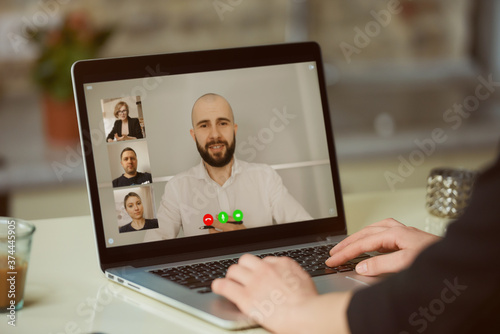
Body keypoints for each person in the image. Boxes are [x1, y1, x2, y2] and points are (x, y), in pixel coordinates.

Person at [212, 154, 500, 334]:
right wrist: (458, 255)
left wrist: (300, 312)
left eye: (222, 122)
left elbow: (413, 310)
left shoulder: (264, 177)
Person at [151, 93, 312, 239]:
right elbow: (152, 250)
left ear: (234, 130)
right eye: (204, 125)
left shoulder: (265, 177)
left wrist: (248, 239)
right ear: (194, 135)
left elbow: (308, 231)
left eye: (222, 123)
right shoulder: (177, 188)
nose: (215, 134)